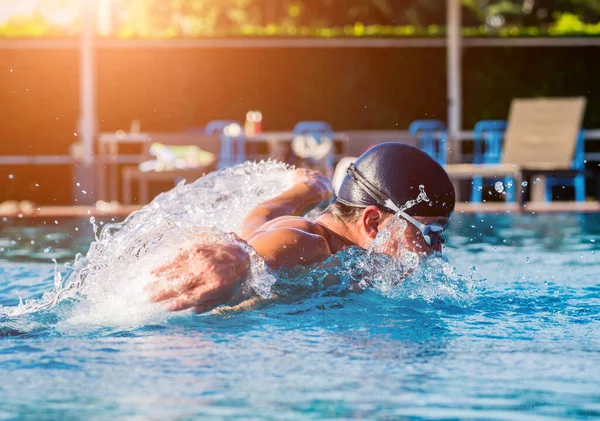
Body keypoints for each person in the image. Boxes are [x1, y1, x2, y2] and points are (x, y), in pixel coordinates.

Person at [146, 143, 455, 313]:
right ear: (372, 222)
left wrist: (311, 187)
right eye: (430, 233)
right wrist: (237, 258)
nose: (437, 249)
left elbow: (263, 215)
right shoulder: (308, 246)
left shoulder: (309, 228)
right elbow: (255, 255)